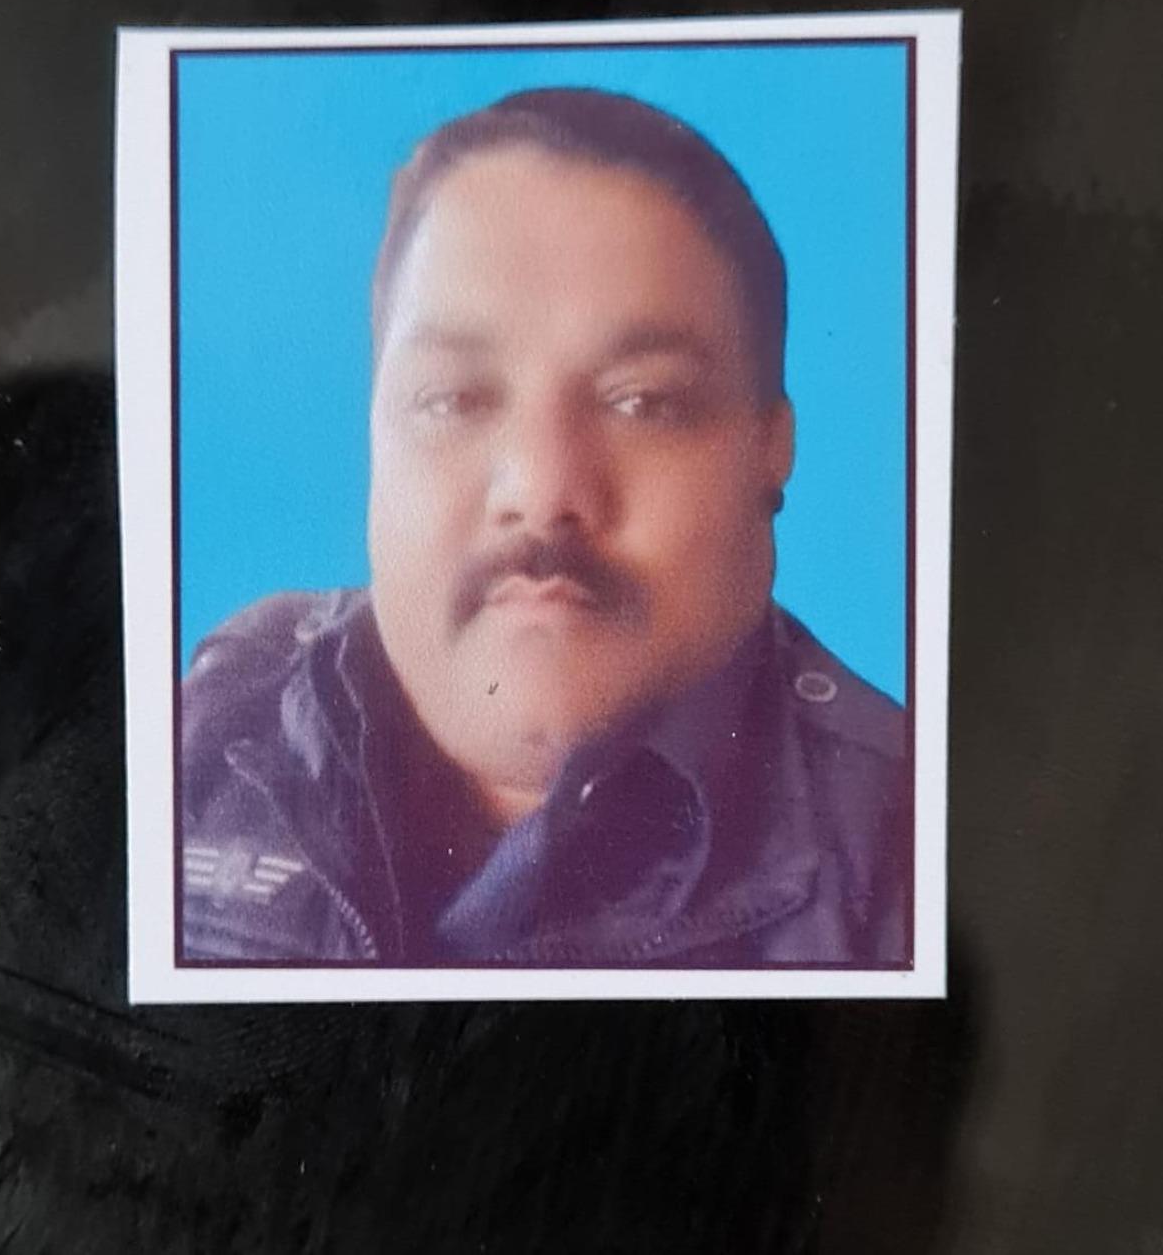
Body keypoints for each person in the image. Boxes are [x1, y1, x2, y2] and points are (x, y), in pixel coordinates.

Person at [180, 87, 910, 968]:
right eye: (453, 398)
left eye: (644, 402)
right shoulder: (208, 722)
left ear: (771, 448)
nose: (542, 489)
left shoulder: (912, 853)